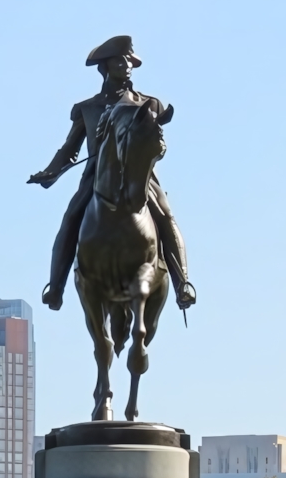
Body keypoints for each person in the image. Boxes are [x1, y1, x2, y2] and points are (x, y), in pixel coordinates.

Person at [27, 35, 194, 313]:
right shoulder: (88, 108)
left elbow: (155, 142)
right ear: (105, 67)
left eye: (129, 61)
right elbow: (70, 149)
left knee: (166, 217)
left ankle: (182, 283)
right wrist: (50, 173)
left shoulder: (148, 104)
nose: (126, 65)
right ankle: (55, 286)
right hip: (96, 180)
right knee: (70, 218)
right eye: (120, 61)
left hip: (140, 180)